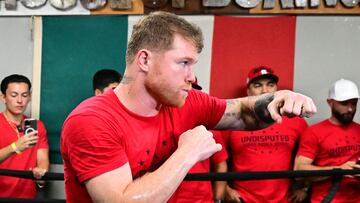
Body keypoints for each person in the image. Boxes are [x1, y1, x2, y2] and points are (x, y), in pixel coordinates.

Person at [60, 11, 316, 203]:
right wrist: (187, 154)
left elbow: (241, 112)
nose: (192, 76)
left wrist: (277, 100)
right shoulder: (92, 120)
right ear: (145, 59)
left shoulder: (184, 101)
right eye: (183, 63)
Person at [224, 66, 309, 203]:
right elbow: (217, 160)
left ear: (276, 89)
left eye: (270, 85)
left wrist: (305, 188)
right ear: (248, 90)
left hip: (283, 200)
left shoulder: (295, 120)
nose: (265, 90)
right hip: (243, 199)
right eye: (258, 85)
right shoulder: (234, 119)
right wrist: (225, 189)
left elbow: (310, 155)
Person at [294, 78, 360, 203]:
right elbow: (299, 170)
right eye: (344, 103)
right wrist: (339, 170)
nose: (350, 109)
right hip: (327, 199)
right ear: (330, 102)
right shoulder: (314, 132)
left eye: (354, 103)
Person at [167, 79, 229, 203]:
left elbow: (220, 163)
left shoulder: (210, 128)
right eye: (186, 91)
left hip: (202, 199)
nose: (189, 96)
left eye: (194, 91)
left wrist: (218, 198)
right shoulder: (164, 125)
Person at [0, 74, 49, 198]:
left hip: (27, 196)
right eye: (14, 95)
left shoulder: (37, 125)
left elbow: (42, 159)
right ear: (3, 97)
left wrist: (41, 173)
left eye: (24, 95)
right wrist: (15, 147)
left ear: (30, 97)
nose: (20, 101)